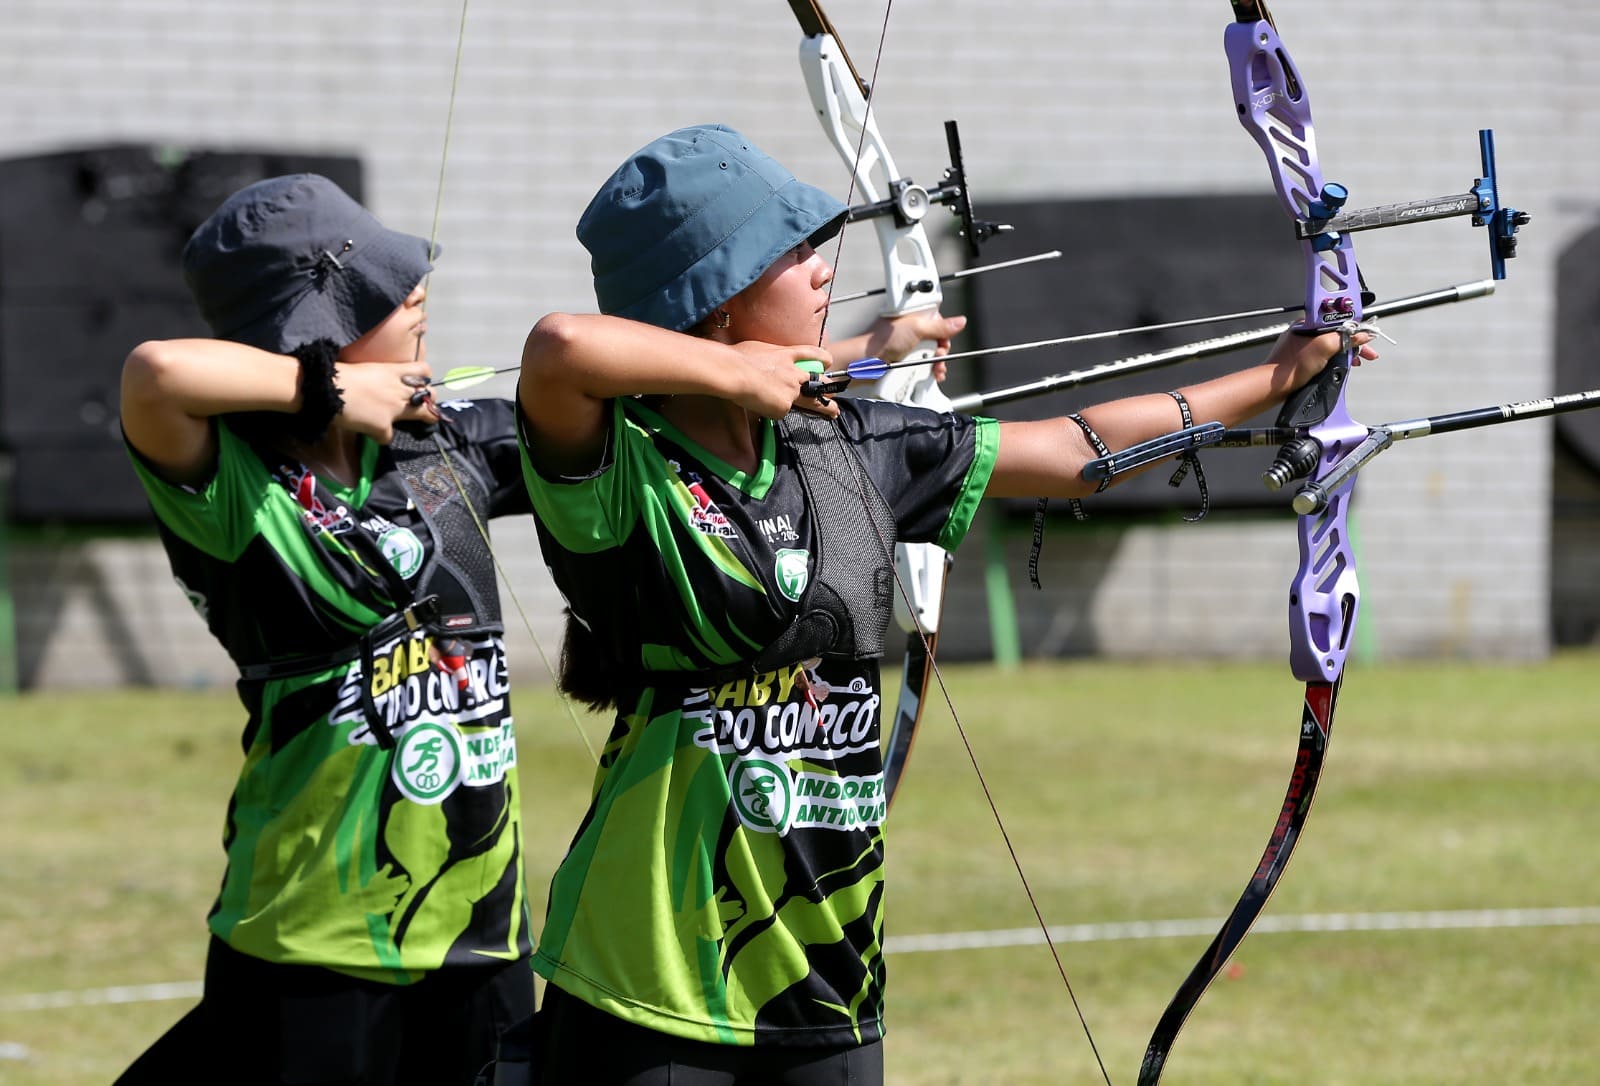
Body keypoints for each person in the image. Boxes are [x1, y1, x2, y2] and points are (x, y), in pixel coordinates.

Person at [508, 124, 1375, 1085]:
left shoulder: (853, 444)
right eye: (793, 253)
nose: (823, 270)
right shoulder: (620, 473)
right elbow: (557, 349)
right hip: (650, 983)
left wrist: (1277, 376)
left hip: (829, 972)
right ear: (716, 302)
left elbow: (1080, 451)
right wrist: (744, 374)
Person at [115, 174, 535, 1085]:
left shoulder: (439, 442)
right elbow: (154, 374)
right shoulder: (235, 485)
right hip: (315, 936)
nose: (416, 291)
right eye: (379, 291)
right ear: (314, 331)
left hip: (481, 930)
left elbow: (607, 392)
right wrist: (328, 392)